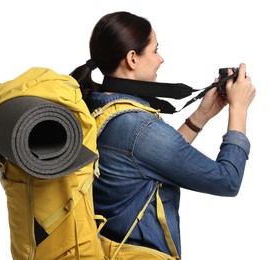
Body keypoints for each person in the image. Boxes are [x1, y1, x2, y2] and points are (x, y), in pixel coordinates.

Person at [70, 11, 256, 258]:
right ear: (132, 58)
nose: (161, 59)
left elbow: (146, 161)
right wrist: (239, 109)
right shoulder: (136, 125)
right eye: (155, 50)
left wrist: (201, 116)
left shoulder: (96, 106)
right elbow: (227, 181)